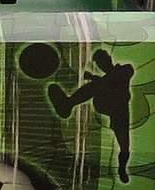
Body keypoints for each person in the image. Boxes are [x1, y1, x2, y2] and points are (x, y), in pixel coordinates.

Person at [47, 48, 138, 181]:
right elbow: (105, 82)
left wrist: (92, 77)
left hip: (119, 111)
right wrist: (93, 79)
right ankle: (68, 103)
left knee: (124, 147)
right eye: (100, 64)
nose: (102, 66)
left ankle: (122, 168)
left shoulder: (125, 69)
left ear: (109, 59)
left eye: (103, 61)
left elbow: (112, 79)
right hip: (104, 103)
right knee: (95, 86)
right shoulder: (102, 80)